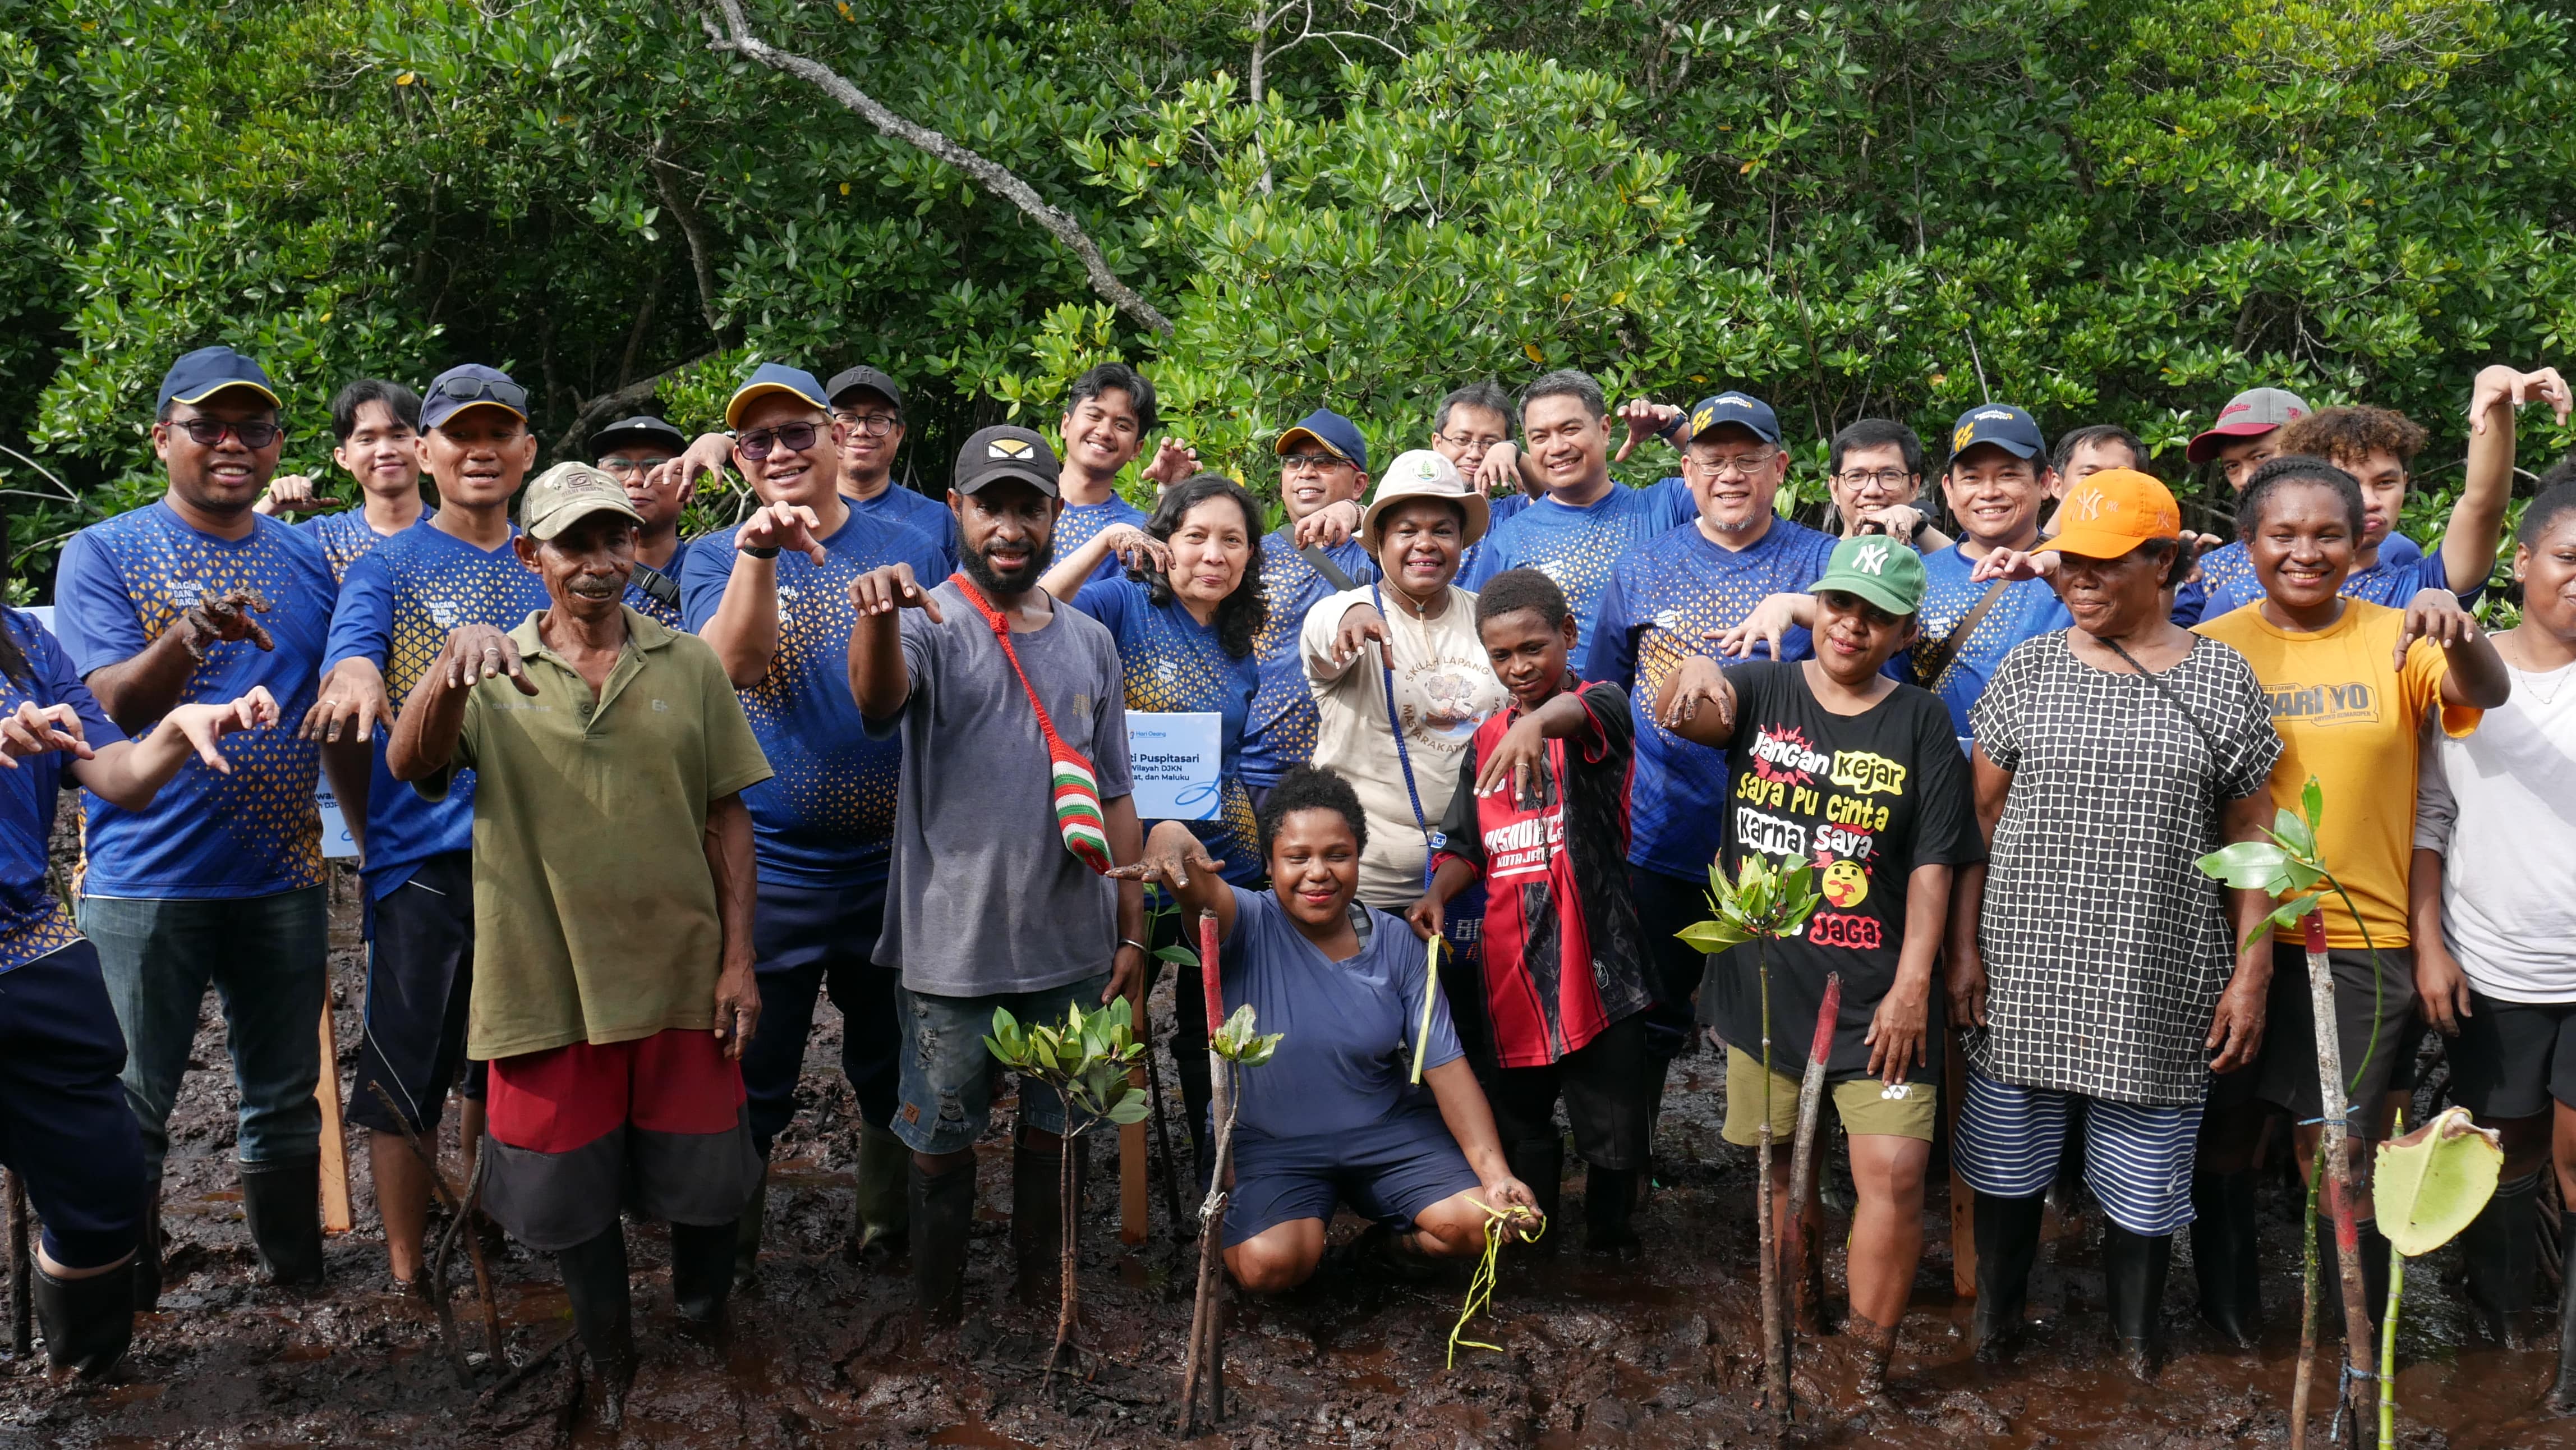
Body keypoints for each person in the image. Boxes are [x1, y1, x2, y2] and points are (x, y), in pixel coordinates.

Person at [385, 464, 770, 1429]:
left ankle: (703, 1319)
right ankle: (610, 1353)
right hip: (544, 978)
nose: (599, 561)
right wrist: (447, 666)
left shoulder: (688, 663)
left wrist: (739, 961)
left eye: (615, 539)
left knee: (707, 1177)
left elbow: (727, 816)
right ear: (532, 555)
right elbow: (409, 761)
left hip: (681, 970)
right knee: (569, 1189)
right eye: (575, 544)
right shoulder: (490, 667)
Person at [1945, 468, 2284, 1380]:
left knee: (2144, 1180)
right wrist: (1964, 950)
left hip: (2159, 971)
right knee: (2007, 1161)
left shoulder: (2221, 677)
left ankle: (2137, 1347)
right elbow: (1981, 819)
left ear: (2162, 561)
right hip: (2026, 969)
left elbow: (2253, 835)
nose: (2078, 579)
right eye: (2068, 562)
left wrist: (2250, 972)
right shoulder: (2029, 668)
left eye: (2103, 563)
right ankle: (1996, 1332)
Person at [1657, 535, 1981, 1398]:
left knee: (1895, 1176)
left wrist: (1916, 984)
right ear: (1817, 606)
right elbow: (1687, 715)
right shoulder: (1763, 689)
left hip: (1878, 989)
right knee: (1778, 1171)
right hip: (1766, 982)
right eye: (1840, 605)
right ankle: (1799, 1325)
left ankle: (1865, 1367)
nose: (1852, 626)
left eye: (1878, 616)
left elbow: (1934, 865)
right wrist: (1693, 666)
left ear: (1905, 632)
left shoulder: (1921, 722)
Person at [2193, 453, 2510, 1336]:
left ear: (2359, 539)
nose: (2306, 552)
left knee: (2335, 1154)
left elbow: (2485, 690)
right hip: (2230, 936)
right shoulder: (2210, 648)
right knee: (2224, 1135)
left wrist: (2462, 630)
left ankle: (2357, 1352)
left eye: (2328, 534)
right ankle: (2230, 1329)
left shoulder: (2401, 635)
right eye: (2283, 535)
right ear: (2248, 543)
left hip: (2362, 939)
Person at [53, 345, 340, 1302]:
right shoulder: (104, 551)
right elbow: (110, 707)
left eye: (253, 428)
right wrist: (188, 634)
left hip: (283, 875)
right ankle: (124, 1299)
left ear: (277, 446)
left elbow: (336, 696)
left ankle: (296, 1282)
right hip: (144, 880)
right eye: (207, 425)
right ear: (161, 438)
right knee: (132, 1102)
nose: (231, 444)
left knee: (284, 1098)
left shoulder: (306, 557)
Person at [846, 424, 1149, 1327]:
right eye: (990, 507)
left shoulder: (1090, 642)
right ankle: (937, 1315)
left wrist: (1131, 931)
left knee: (1060, 1130)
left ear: (1057, 516)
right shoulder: (925, 622)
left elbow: (1117, 791)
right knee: (942, 1138)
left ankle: (1042, 1301)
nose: (1010, 528)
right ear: (958, 511)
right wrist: (876, 617)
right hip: (952, 950)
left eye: (1029, 508)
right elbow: (876, 700)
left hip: (1073, 943)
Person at [679, 362, 950, 1277]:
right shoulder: (713, 557)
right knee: (752, 1062)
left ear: (836, 438)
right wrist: (759, 553)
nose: (781, 451)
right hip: (770, 865)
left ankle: (885, 1230)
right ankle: (730, 1253)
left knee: (888, 1057)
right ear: (741, 459)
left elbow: (919, 691)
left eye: (798, 432)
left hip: (890, 861)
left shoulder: (907, 541)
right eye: (758, 440)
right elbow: (731, 669)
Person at [303, 364, 551, 1291]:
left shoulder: (551, 555)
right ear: (425, 451)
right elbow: (351, 660)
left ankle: (489, 1218)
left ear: (527, 449)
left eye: (499, 433)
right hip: (426, 861)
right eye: (460, 435)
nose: (481, 451)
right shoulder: (388, 565)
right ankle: (409, 1270)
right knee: (404, 1071)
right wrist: (357, 674)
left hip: (543, 857)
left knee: (509, 1057)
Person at [1112, 768, 1539, 1290]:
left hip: (1386, 1131)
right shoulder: (1242, 921)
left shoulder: (1398, 943)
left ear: (1359, 857)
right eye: (1297, 858)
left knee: (1482, 1224)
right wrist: (1167, 832)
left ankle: (1382, 1255)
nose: (1319, 873)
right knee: (1271, 1266)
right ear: (1269, 864)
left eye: (1338, 855)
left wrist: (1497, 1176)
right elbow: (1195, 885)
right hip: (1271, 1142)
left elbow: (1447, 1070)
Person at [0, 599, 282, 1380]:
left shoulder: (24, 640)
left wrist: (180, 729)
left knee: (104, 1187)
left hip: (30, 957)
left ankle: (86, 1378)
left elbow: (117, 774)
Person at [1585, 391, 1838, 1126]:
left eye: (1748, 459)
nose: (1730, 475)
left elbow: (1887, 641)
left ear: (1780, 468)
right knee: (1648, 1016)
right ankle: (1626, 1177)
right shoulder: (1642, 566)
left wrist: (1801, 606)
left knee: (1792, 1019)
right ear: (1687, 471)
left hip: (1792, 842)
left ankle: (1799, 1179)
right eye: (1713, 460)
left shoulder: (1823, 560)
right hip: (1661, 836)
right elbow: (1604, 695)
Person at [1407, 569, 1653, 1258]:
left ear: (1567, 635)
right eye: (1501, 656)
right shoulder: (1485, 739)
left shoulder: (1601, 705)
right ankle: (1531, 1241)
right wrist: (1437, 892)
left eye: (1532, 648)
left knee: (1611, 1120)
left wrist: (1536, 726)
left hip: (1597, 957)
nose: (1517, 667)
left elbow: (1579, 712)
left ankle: (1610, 1242)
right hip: (1512, 961)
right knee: (1520, 1114)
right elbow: (1466, 846)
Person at [1038, 471, 1265, 1187]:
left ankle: (1217, 1182)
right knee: (1104, 1025)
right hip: (1123, 865)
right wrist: (1104, 540)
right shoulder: (1122, 603)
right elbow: (1033, 611)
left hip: (1220, 862)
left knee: (1212, 1033)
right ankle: (1094, 1194)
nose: (1213, 554)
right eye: (1195, 536)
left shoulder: (1240, 639)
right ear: (1163, 542)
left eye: (1232, 540)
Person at [2413, 475, 2576, 1376]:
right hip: (2493, 961)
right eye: (2567, 558)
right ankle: (2503, 1334)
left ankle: (2564, 1364)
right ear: (2522, 562)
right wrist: (2430, 945)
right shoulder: (2458, 670)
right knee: (2504, 1152)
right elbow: (2431, 817)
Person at [1719, 405, 2071, 744]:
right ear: (1949, 490)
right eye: (1972, 478)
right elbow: (1862, 623)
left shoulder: (2078, 573)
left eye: (2008, 474)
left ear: (2045, 482)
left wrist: (2062, 574)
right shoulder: (1918, 574)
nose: (1989, 492)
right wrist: (1787, 604)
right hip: (1924, 763)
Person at [1299, 449, 1507, 909]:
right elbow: (1324, 631)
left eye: (1442, 531)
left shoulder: (1488, 617)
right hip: (1370, 882)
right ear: (1379, 540)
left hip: (1477, 872)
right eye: (1407, 531)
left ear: (1462, 541)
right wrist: (1352, 613)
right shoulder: (1347, 614)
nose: (1425, 543)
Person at [1460, 370, 1696, 655]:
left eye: (1570, 430)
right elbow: (1482, 645)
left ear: (1605, 430)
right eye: (1540, 437)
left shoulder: (1667, 504)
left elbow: (1730, 481)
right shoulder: (1507, 539)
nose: (1557, 448)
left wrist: (1674, 427)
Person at [1243, 415, 1379, 811]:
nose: (1306, 472)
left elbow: (1421, 534)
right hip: (1255, 766)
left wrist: (1358, 514)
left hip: (1348, 771)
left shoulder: (1381, 550)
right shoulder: (1251, 554)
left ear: (1358, 484)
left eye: (1325, 461)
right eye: (1295, 461)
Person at [254, 379, 431, 582]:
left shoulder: (453, 532)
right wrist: (268, 507)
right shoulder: (321, 540)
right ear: (343, 458)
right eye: (367, 440)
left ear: (423, 448)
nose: (385, 451)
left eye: (399, 436)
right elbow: (238, 563)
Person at [1052, 362, 1197, 584]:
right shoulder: (1021, 501)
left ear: (1137, 449)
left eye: (1122, 426)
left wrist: (1171, 491)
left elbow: (1168, 581)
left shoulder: (1138, 531)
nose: (1104, 432)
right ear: (1066, 424)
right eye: (1094, 416)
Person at [825, 365, 962, 571]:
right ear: (828, 429)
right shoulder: (796, 519)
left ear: (899, 433)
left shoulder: (938, 519)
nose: (861, 430)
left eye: (877, 419)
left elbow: (962, 589)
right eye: (847, 418)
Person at [589, 414, 696, 628]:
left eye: (655, 465)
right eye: (618, 465)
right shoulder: (570, 570)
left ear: (690, 487)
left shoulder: (714, 567)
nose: (636, 479)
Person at [1430, 382, 1541, 577]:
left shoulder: (1508, 516)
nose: (1474, 453)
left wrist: (1514, 452)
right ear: (1437, 443)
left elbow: (1559, 497)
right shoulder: (1404, 514)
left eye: (1490, 443)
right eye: (1462, 440)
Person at [1822, 417, 1951, 548]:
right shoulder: (1814, 557)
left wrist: (1919, 526)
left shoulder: (1925, 559)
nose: (1872, 491)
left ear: (1914, 486)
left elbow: (1961, 560)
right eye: (1857, 476)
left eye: (1889, 475)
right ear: (1835, 489)